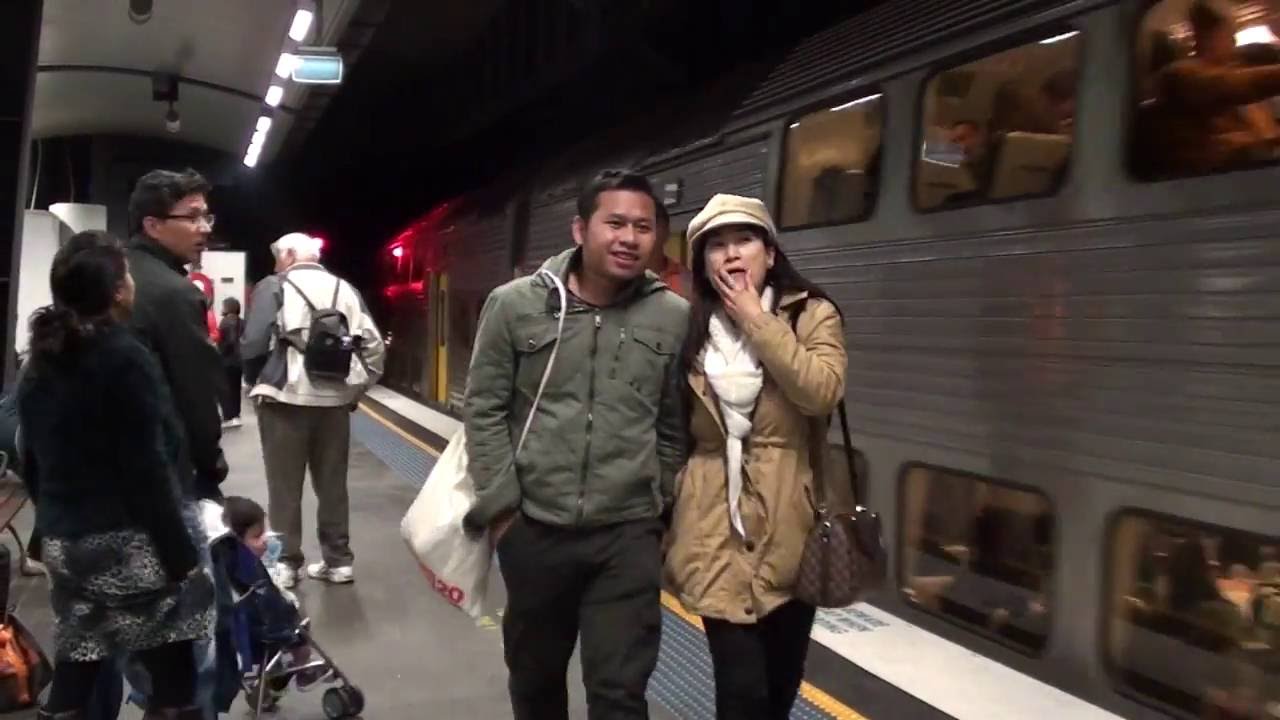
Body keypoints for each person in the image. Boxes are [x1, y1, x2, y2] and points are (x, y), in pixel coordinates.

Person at [462, 169, 690, 719]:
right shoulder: (515, 305)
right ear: (579, 229)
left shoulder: (673, 317)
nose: (629, 238)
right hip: (535, 530)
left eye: (643, 227)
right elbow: (484, 408)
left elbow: (673, 424)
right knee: (537, 684)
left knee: (620, 692)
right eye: (614, 223)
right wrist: (504, 512)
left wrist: (659, 500)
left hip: (627, 536)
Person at [663, 193, 847, 720]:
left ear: (769, 251)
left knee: (779, 690)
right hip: (713, 527)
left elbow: (821, 392)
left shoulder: (812, 313)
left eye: (743, 239)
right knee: (741, 695)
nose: (731, 254)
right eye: (715, 245)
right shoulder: (689, 326)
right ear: (702, 262)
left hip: (794, 524)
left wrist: (757, 322)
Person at [17, 230, 215, 719]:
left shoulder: (41, 358)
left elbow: (33, 457)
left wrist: (47, 531)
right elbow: (147, 464)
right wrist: (178, 552)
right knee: (173, 672)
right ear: (119, 291)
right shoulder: (124, 357)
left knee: (80, 657)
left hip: (68, 543)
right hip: (130, 544)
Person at [241, 233, 385, 588]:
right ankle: (339, 562)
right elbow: (375, 347)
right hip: (334, 404)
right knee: (333, 486)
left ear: (288, 255)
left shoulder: (274, 286)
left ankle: (288, 565)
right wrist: (355, 388)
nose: (276, 263)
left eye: (277, 256)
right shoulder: (345, 289)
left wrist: (255, 380)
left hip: (285, 400)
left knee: (284, 488)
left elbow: (254, 342)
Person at [126, 168, 227, 501]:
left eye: (207, 216)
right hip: (159, 471)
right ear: (153, 225)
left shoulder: (111, 271)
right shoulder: (175, 293)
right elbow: (194, 391)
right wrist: (211, 467)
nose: (206, 228)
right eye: (193, 217)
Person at [217, 298, 244, 428]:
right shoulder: (242, 322)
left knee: (225, 388)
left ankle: (229, 416)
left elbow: (229, 341)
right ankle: (236, 415)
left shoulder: (225, 322)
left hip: (227, 360)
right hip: (239, 360)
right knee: (236, 388)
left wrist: (220, 352)